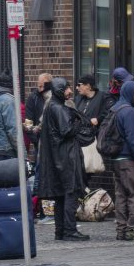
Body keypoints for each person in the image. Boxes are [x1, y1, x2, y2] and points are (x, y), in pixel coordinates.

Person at [38, 77, 90, 241]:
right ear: (60, 90)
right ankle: (69, 230)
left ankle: (60, 230)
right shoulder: (58, 108)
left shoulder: (50, 106)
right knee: (69, 193)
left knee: (60, 195)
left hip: (57, 156)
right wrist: (77, 121)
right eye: (67, 88)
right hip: (66, 156)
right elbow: (67, 131)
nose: (70, 91)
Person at [110, 79, 134, 241]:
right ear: (129, 93)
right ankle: (133, 229)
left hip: (116, 159)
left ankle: (121, 230)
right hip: (128, 158)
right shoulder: (130, 112)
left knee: (121, 195)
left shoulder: (115, 109)